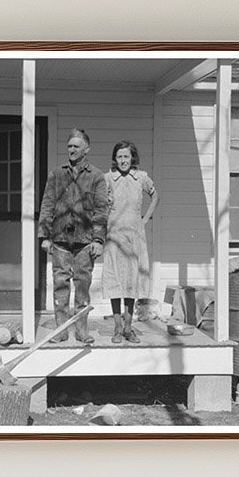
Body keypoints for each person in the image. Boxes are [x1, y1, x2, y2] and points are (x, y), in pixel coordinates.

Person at [37, 128, 109, 343]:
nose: (72, 150)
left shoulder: (96, 176)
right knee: (60, 286)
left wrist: (98, 240)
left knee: (82, 288)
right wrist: (45, 236)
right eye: (69, 146)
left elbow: (101, 210)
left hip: (85, 242)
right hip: (59, 240)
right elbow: (47, 205)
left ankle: (81, 330)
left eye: (76, 146)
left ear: (87, 149)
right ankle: (60, 331)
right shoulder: (57, 174)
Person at [102, 140, 158, 343]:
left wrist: (145, 219)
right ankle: (117, 328)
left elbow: (155, 196)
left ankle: (128, 327)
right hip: (115, 237)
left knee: (132, 282)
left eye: (126, 156)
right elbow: (99, 203)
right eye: (119, 157)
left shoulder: (141, 177)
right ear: (114, 159)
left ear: (132, 158)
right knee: (115, 281)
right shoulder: (108, 178)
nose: (123, 160)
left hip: (135, 237)